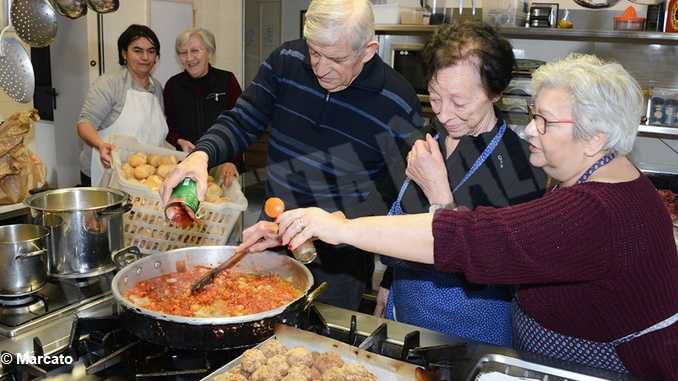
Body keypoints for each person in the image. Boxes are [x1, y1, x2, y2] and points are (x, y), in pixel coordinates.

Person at [256, 54, 678, 380]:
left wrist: (338, 228)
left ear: (596, 139)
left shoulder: (598, 210)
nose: (530, 130)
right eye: (532, 116)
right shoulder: (590, 178)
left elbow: (469, 238)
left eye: (544, 121)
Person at [161, 0, 424, 310]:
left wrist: (387, 271)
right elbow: (243, 118)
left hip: (340, 262)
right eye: (314, 52)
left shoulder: (397, 100)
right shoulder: (288, 60)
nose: (320, 68)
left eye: (335, 59)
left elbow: (401, 195)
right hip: (270, 231)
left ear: (368, 51)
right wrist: (201, 155)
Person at [375, 22, 546, 347]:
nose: (444, 114)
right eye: (436, 97)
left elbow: (496, 263)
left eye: (459, 102)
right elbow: (405, 225)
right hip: (406, 318)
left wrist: (439, 190)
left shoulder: (523, 164)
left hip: (473, 336)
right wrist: (388, 282)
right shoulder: (428, 140)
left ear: (495, 93)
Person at [77, 24, 167, 186]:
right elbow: (84, 123)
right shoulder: (109, 84)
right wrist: (100, 145)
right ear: (124, 53)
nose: (145, 57)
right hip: (105, 174)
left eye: (151, 51)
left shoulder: (157, 88)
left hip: (141, 179)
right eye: (137, 51)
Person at [164, 27, 242, 186]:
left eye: (195, 51)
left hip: (223, 162)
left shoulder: (227, 80)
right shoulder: (173, 85)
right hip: (187, 163)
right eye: (183, 52)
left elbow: (239, 125)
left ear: (210, 52)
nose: (189, 58)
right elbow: (169, 127)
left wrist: (232, 161)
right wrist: (179, 140)